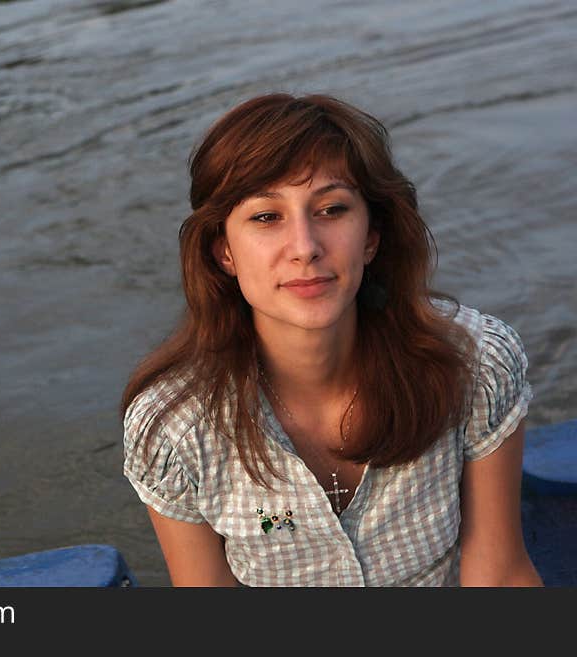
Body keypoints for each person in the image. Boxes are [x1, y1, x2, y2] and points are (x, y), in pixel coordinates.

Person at [119, 93, 543, 587]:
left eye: (331, 209)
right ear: (224, 252)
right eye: (266, 217)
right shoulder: (175, 430)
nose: (305, 248)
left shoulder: (473, 365)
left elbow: (500, 574)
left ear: (371, 237)